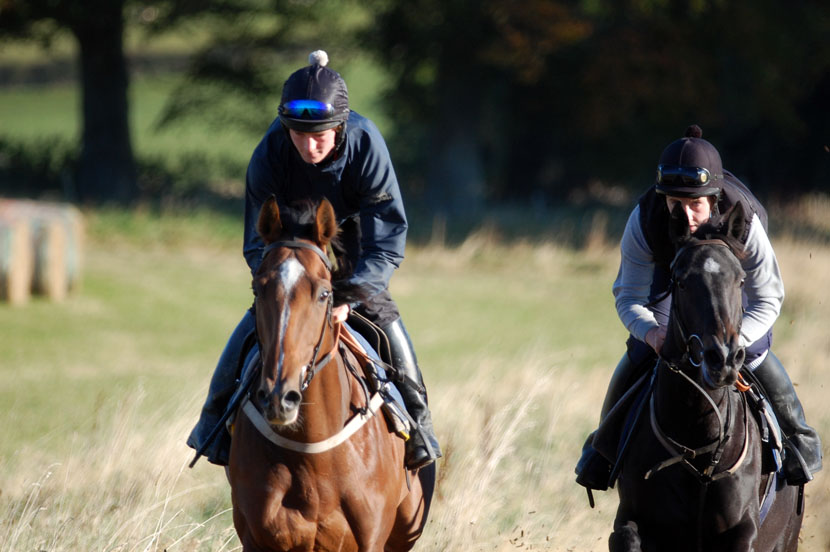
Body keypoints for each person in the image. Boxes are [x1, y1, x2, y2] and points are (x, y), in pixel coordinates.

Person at [187, 50, 442, 470]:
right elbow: (256, 240)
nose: (308, 145)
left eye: (319, 135)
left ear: (340, 125)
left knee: (387, 321)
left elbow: (388, 239)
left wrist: (352, 297)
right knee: (256, 323)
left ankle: (420, 425)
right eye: (298, 134)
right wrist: (277, 285)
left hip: (358, 252)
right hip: (292, 254)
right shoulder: (271, 150)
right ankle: (212, 422)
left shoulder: (366, 144)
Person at [575, 124, 822, 491]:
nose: (687, 215)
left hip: (727, 279)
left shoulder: (746, 223)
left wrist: (740, 341)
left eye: (695, 205)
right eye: (676, 205)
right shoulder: (644, 221)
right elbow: (629, 297)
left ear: (713, 199)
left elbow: (768, 297)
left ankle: (799, 438)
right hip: (670, 277)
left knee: (750, 352)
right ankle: (604, 448)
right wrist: (651, 333)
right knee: (642, 352)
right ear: (664, 201)